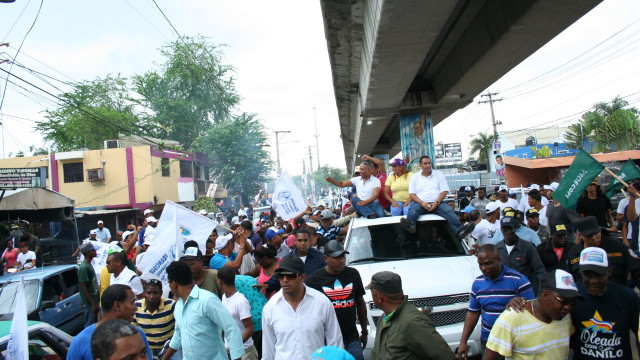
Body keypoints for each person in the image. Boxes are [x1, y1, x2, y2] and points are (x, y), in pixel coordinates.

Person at [457, 244, 534, 359]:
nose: (483, 268)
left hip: (514, 344)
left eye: (487, 263)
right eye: (480, 264)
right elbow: (473, 312)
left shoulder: (519, 280)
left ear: (499, 260)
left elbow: (532, 312)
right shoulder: (478, 283)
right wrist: (463, 341)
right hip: (488, 342)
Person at [484, 269, 580, 359]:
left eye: (572, 303)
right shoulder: (512, 319)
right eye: (563, 301)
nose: (568, 307)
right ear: (545, 295)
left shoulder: (565, 318)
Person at [261, 256, 343, 360]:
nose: (285, 280)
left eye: (290, 276)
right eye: (281, 276)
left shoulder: (322, 303)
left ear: (302, 277)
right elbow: (268, 351)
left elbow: (335, 341)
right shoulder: (270, 308)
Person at [163, 261, 245, 360]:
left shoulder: (207, 300)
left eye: (168, 283)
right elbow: (178, 335)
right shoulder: (179, 306)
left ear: (174, 284)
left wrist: (236, 357)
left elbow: (231, 328)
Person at [571, 247, 640, 359]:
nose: (594, 281)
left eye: (599, 275)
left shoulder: (629, 298)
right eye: (588, 275)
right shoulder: (572, 296)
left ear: (610, 272)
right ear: (580, 272)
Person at [368, 271, 454, 359]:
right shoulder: (384, 318)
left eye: (372, 293)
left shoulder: (413, 323)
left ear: (379, 297)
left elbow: (444, 356)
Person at [305, 241, 368, 360]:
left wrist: (364, 331)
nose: (341, 260)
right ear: (325, 258)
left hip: (351, 338)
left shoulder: (353, 274)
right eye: (336, 257)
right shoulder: (313, 280)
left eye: (342, 256)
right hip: (327, 340)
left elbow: (360, 303)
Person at [68, 284, 153, 360]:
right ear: (118, 305)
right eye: (132, 302)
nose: (136, 308)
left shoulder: (137, 334)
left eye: (142, 354)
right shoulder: (80, 342)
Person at [567, 216, 640, 287]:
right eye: (589, 236)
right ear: (580, 235)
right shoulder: (573, 253)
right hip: (585, 297)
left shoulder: (618, 248)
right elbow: (568, 279)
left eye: (596, 233)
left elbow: (636, 270)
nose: (594, 238)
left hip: (615, 294)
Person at [401, 155, 461, 233]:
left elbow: (444, 191)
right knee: (413, 212)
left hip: (438, 203)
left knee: (449, 212)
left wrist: (436, 203)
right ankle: (410, 227)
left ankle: (460, 231)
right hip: (420, 203)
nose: (428, 165)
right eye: (425, 163)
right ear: (420, 165)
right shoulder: (414, 177)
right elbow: (412, 194)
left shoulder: (439, 174)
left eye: (429, 163)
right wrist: (422, 202)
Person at [495, 217, 546, 294]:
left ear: (515, 228)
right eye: (505, 229)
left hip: (525, 291)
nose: (508, 232)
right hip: (504, 292)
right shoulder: (496, 249)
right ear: (501, 230)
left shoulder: (528, 247)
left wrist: (541, 291)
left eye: (510, 229)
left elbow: (539, 270)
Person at [217, 267, 259, 360]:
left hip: (245, 352)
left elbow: (250, 329)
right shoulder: (224, 297)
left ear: (219, 282)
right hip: (231, 352)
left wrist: (234, 346)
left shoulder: (240, 301)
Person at [133, 280, 175, 358]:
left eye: (155, 293)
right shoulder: (136, 307)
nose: (151, 296)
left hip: (168, 348)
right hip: (146, 350)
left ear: (161, 293)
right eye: (148, 293)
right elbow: (134, 330)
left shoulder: (171, 305)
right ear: (144, 293)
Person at [78, 243, 100, 327]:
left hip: (93, 301)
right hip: (89, 303)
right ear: (87, 253)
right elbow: (83, 286)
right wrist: (93, 303)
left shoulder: (89, 264)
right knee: (89, 325)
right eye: (93, 250)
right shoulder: (84, 267)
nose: (95, 251)